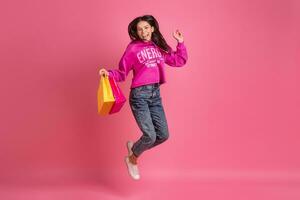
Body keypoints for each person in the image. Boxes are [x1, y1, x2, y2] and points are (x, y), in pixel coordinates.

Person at [99, 15, 188, 180]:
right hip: (139, 96)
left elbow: (179, 60)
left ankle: (134, 149)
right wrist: (108, 73)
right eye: (140, 29)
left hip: (155, 95)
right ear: (136, 32)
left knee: (163, 135)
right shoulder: (132, 49)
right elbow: (122, 72)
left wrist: (180, 43)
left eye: (146, 28)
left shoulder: (159, 46)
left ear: (152, 28)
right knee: (150, 135)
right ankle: (132, 159)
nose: (144, 31)